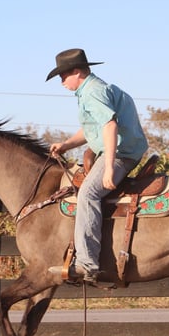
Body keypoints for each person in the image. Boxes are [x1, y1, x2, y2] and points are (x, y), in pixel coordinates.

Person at [47, 48, 148, 283]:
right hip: (122, 149)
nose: (61, 82)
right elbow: (93, 128)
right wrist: (66, 144)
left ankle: (87, 263)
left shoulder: (93, 92)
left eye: (63, 76)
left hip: (121, 153)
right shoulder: (93, 90)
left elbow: (110, 126)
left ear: (76, 72)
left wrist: (110, 167)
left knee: (88, 194)